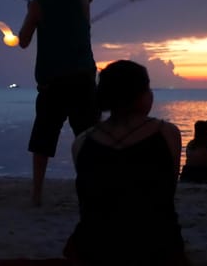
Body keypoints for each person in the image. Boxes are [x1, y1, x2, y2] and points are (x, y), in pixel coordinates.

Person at [63, 60, 187, 266]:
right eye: (148, 88)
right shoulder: (167, 133)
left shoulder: (82, 142)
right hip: (156, 244)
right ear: (140, 95)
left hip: (96, 246)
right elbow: (167, 192)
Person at [18, 0, 100, 206]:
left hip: (53, 83)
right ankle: (92, 190)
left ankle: (37, 195)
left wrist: (32, 11)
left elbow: (22, 41)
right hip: (83, 80)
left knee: (42, 141)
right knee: (88, 138)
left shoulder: (38, 3)